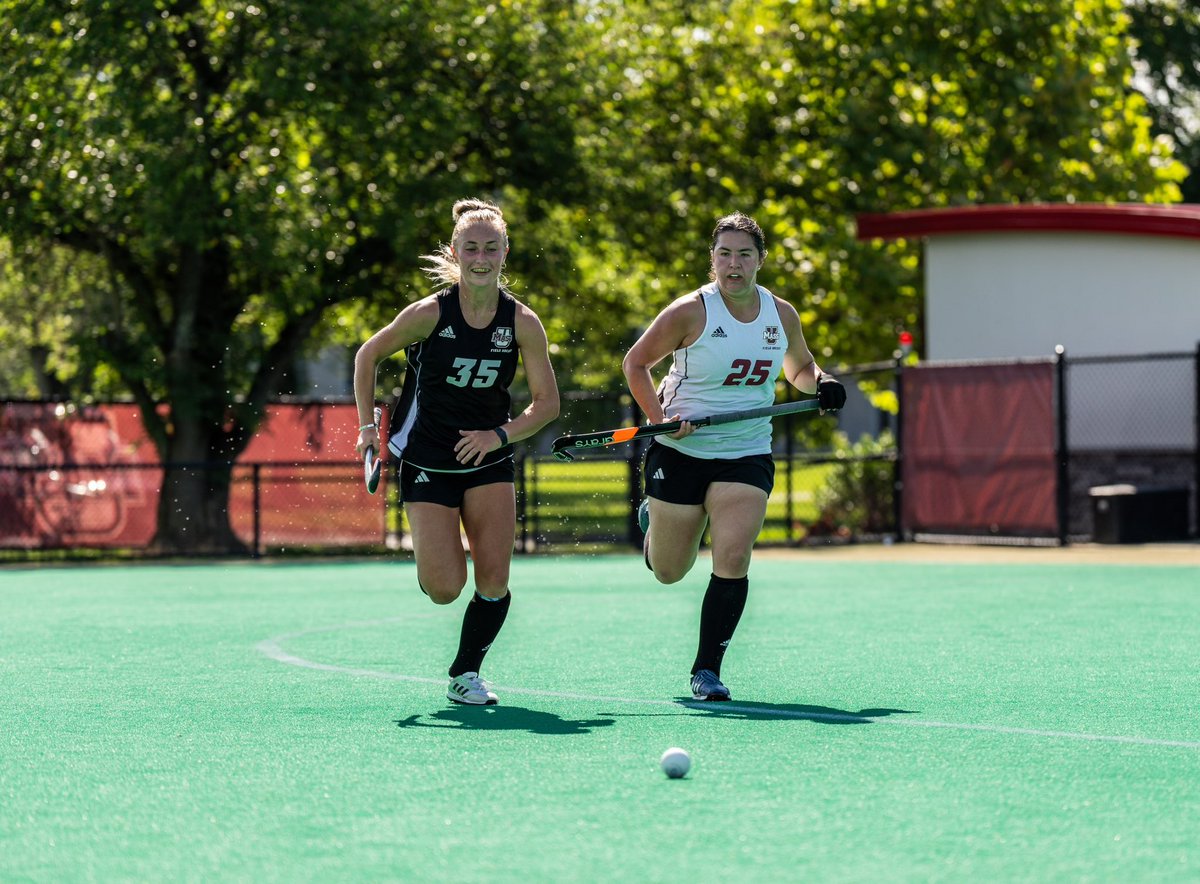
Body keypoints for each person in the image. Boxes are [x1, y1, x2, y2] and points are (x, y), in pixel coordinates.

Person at [622, 212, 846, 702]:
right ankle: (655, 525)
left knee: (733, 554)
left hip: (745, 451)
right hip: (680, 451)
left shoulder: (780, 314)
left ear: (761, 260)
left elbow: (800, 366)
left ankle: (707, 669)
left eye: (745, 254)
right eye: (724, 253)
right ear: (712, 260)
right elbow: (635, 363)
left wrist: (821, 383)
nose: (734, 263)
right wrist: (660, 414)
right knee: (669, 570)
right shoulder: (689, 312)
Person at [354, 198, 559, 706]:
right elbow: (367, 355)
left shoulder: (522, 322)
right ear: (456, 251)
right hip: (426, 461)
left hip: (488, 460)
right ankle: (432, 564)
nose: (481, 257)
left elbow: (547, 404)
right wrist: (365, 428)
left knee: (494, 581)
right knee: (446, 588)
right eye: (471, 248)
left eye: (492, 248)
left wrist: (501, 435)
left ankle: (466, 671)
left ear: (505, 252)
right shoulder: (429, 314)